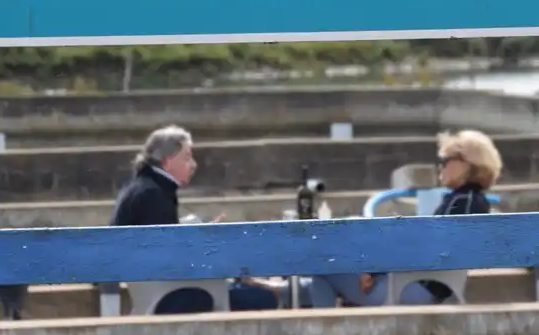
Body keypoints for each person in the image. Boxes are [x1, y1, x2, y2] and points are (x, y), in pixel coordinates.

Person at [307, 129, 502, 308]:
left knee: (320, 264)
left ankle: (322, 334)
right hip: (422, 286)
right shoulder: (472, 200)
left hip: (414, 289)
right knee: (325, 270)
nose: (440, 167)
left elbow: (428, 247)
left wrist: (376, 268)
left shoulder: (464, 202)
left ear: (467, 163)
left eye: (446, 160)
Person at [109, 125, 279, 313]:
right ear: (168, 160)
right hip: (167, 294)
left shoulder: (141, 188)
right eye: (187, 157)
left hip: (152, 292)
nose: (194, 164)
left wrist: (201, 235)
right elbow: (169, 258)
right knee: (262, 298)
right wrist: (206, 244)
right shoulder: (152, 194)